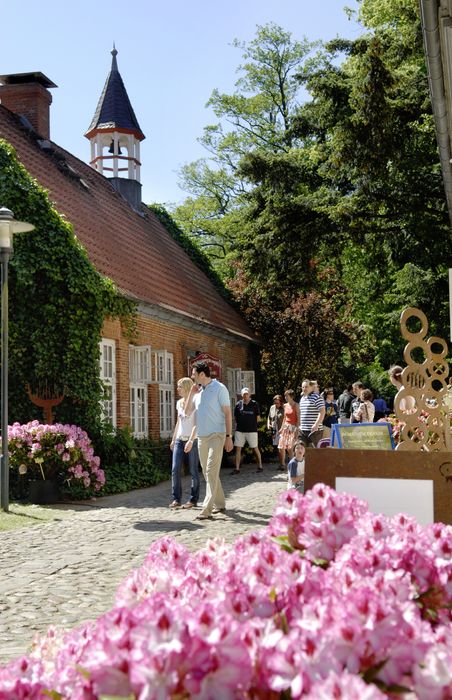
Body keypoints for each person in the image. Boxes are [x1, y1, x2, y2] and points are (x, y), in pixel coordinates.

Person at [185, 361, 233, 520]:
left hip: (217, 436)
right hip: (202, 438)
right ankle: (220, 503)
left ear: (202, 374)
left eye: (193, 374)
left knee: (211, 470)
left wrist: (229, 436)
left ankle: (206, 509)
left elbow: (227, 413)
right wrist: (191, 393)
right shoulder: (198, 394)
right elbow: (187, 412)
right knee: (208, 472)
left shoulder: (220, 388)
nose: (192, 377)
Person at [169, 377, 200, 509]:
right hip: (179, 440)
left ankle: (193, 499)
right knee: (175, 469)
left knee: (193, 470)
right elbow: (178, 422)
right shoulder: (179, 403)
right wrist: (173, 438)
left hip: (192, 440)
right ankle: (176, 498)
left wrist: (192, 439)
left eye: (180, 386)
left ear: (187, 387)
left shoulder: (195, 402)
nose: (177, 389)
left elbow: (196, 424)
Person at [232, 387, 262, 474]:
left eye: (247, 393)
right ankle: (237, 468)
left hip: (252, 430)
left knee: (255, 448)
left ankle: (260, 466)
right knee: (238, 449)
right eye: (244, 394)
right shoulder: (238, 404)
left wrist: (254, 425)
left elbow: (258, 418)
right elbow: (236, 417)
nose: (245, 395)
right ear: (242, 395)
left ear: (250, 394)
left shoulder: (254, 404)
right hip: (240, 430)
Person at [299, 379, 325, 447]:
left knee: (317, 452)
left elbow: (322, 411)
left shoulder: (317, 397)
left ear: (311, 387)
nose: (304, 389)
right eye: (303, 387)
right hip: (303, 430)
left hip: (315, 430)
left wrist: (316, 424)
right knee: (301, 449)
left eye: (306, 387)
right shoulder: (302, 399)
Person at [278, 389, 300, 461]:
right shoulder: (285, 405)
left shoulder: (296, 405)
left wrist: (297, 429)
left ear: (291, 396)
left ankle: (292, 462)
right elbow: (285, 418)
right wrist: (281, 428)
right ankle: (283, 464)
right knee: (282, 446)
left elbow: (298, 418)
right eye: (285, 396)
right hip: (286, 427)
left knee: (290, 447)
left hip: (293, 427)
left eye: (287, 396)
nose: (285, 397)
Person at [267, 394, 285, 471]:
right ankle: (281, 464)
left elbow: (286, 419)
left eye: (277, 403)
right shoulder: (272, 407)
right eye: (275, 403)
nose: (276, 404)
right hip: (274, 430)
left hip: (282, 430)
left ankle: (283, 464)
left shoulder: (284, 408)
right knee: (278, 448)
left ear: (281, 402)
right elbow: (269, 417)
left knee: (282, 448)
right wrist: (268, 424)